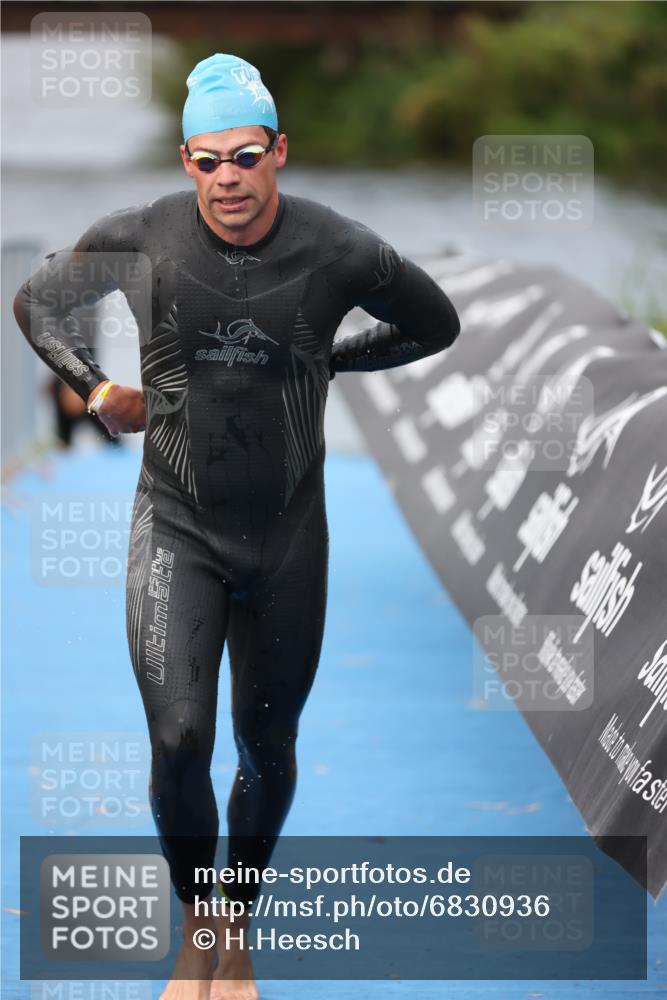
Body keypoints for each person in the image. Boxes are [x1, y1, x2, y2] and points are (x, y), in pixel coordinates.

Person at [14, 53, 460, 1000]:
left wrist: (334, 362)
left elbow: (435, 323)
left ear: (277, 153)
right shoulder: (141, 237)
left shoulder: (339, 249)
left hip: (291, 537)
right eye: (208, 160)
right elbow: (38, 301)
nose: (227, 178)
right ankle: (197, 921)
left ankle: (237, 925)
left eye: (245, 157)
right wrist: (97, 390)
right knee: (179, 738)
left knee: (267, 748)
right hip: (175, 527)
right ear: (186, 160)